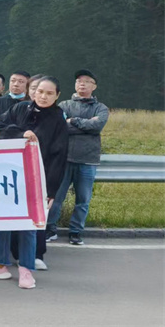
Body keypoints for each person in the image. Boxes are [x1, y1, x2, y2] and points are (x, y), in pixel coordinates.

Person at [0, 77, 69, 289]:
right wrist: (21, 133)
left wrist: (51, 191)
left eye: (49, 93)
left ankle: (26, 269)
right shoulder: (20, 108)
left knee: (28, 225)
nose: (43, 96)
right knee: (3, 219)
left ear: (57, 96)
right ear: (32, 92)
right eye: (40, 91)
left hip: (36, 179)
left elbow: (59, 158)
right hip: (8, 174)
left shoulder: (58, 119)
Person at [46, 69, 109, 246]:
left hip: (88, 160)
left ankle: (76, 231)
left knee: (83, 200)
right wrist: (86, 125)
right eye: (79, 81)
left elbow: (97, 127)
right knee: (56, 197)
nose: (82, 84)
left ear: (94, 86)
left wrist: (73, 121)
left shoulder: (101, 108)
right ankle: (50, 228)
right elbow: (60, 127)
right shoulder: (64, 105)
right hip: (64, 159)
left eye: (87, 81)